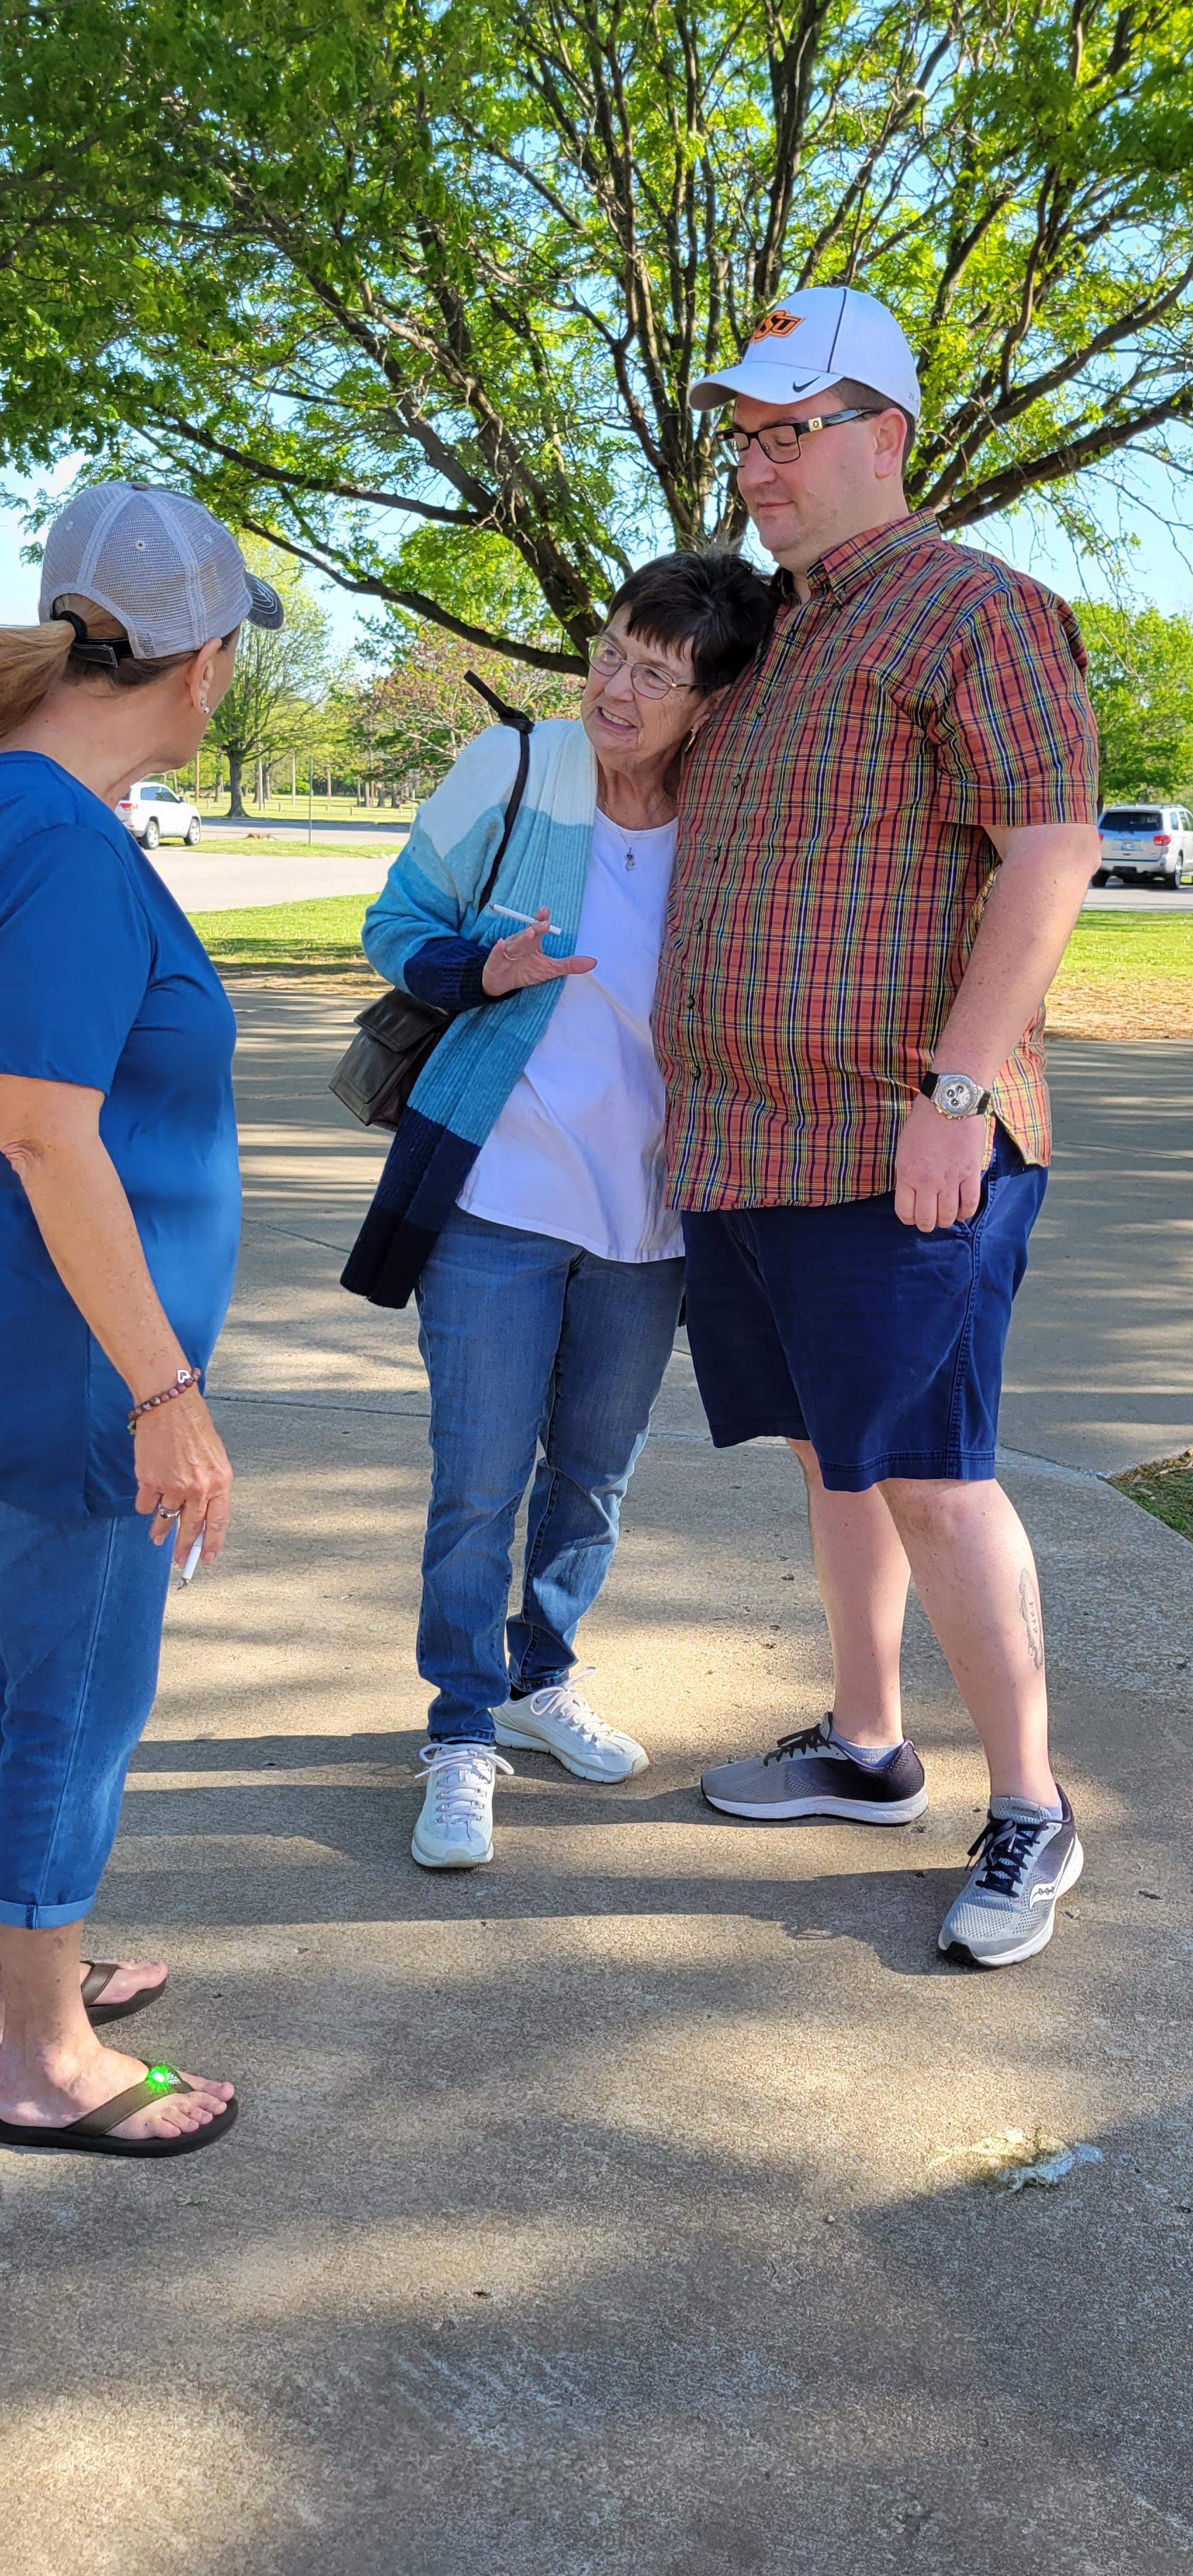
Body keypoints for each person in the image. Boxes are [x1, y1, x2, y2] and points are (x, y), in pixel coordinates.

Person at [652, 286, 1102, 1968]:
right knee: (829, 1455)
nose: (761, 464)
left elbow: (1049, 855)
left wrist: (958, 1091)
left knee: (927, 1471)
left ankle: (1035, 1808)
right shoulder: (774, 628)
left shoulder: (974, 611)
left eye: (794, 430)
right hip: (745, 1145)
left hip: (900, 1142)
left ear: (884, 435)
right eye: (747, 436)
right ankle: (863, 1746)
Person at [342, 553, 772, 1874]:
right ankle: (460, 1728)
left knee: (592, 1475)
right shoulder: (519, 767)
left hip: (651, 1214)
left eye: (658, 671)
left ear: (715, 698)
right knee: (479, 1482)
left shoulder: (731, 809)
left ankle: (540, 1677)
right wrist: (483, 966)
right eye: (611, 652)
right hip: (499, 1190)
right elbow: (392, 922)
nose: (617, 688)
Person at [0, 480, 284, 2157]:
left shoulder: (29, 816)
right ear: (203, 666)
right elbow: (42, 1126)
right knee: (72, 1699)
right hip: (72, 1374)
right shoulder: (62, 840)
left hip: (42, 1347)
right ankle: (35, 2058)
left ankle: (26, 1971)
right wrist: (164, 1390)